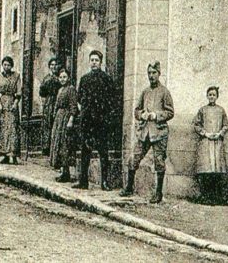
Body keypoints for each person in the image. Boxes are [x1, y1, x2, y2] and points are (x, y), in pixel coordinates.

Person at [120, 61, 174, 203]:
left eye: (154, 73)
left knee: (159, 162)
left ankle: (158, 193)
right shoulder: (145, 92)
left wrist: (156, 115)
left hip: (159, 133)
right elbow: (136, 110)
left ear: (159, 74)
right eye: (149, 73)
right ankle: (129, 187)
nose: (151, 76)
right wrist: (142, 114)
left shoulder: (165, 92)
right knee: (134, 158)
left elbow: (170, 112)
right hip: (144, 132)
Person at [74, 50, 115, 190]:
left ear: (101, 62)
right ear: (89, 62)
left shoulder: (107, 79)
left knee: (103, 151)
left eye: (96, 60)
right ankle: (83, 181)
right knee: (85, 151)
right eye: (92, 60)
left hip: (101, 121)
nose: (94, 63)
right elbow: (79, 99)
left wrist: (106, 117)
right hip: (87, 121)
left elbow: (112, 101)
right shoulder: (84, 79)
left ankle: (105, 182)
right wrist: (84, 113)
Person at [192, 86, 228, 203]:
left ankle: (215, 197)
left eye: (214, 95)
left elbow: (226, 125)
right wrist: (205, 133)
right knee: (205, 170)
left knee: (216, 171)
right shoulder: (202, 110)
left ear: (217, 96)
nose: (212, 97)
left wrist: (219, 133)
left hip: (217, 142)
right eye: (210, 95)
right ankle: (205, 196)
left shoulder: (221, 110)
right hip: (206, 142)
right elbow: (196, 125)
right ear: (207, 96)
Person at [49, 68, 77, 182]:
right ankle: (63, 171)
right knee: (58, 144)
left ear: (69, 78)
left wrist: (71, 119)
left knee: (65, 144)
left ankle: (67, 173)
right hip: (58, 119)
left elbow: (73, 106)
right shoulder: (60, 90)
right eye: (60, 77)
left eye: (64, 77)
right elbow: (56, 105)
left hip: (66, 118)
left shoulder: (71, 89)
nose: (62, 79)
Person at [0, 56, 21, 165]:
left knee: (12, 129)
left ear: (11, 66)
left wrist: (15, 104)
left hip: (12, 102)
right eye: (4, 65)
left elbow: (19, 92)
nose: (6, 67)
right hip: (2, 104)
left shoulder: (16, 76)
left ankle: (13, 155)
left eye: (8, 65)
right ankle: (4, 154)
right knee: (2, 129)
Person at [38, 57, 60, 156]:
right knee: (47, 125)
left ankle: (55, 147)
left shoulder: (60, 78)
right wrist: (44, 104)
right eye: (52, 65)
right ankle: (46, 147)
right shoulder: (46, 78)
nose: (54, 67)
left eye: (55, 65)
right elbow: (41, 92)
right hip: (48, 102)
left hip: (57, 101)